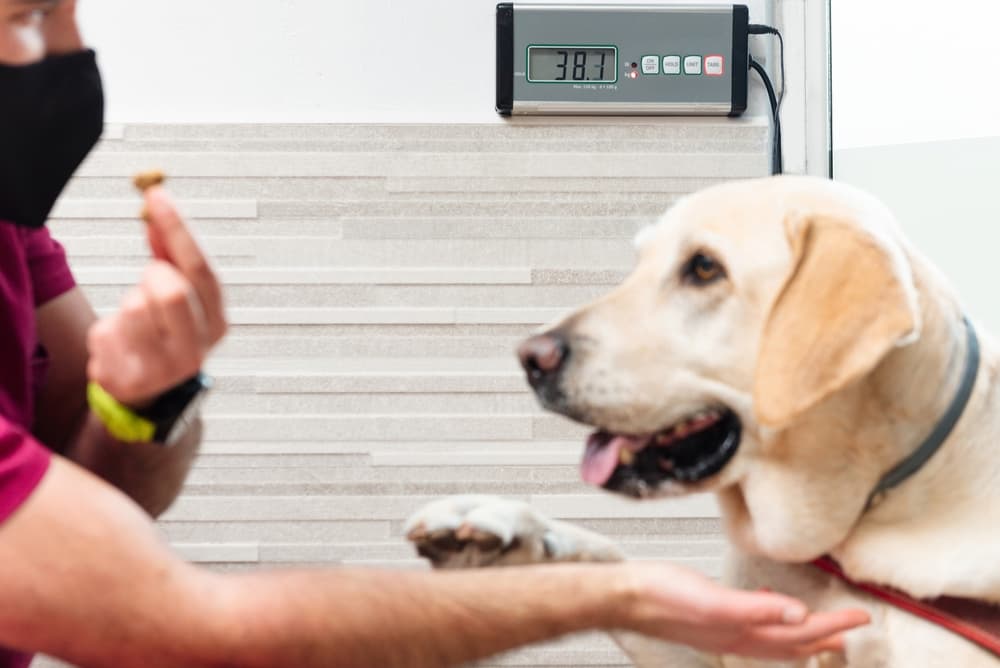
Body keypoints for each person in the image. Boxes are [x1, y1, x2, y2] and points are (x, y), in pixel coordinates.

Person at [0, 2, 870, 666]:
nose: (68, 54)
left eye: (73, 11)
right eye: (31, 17)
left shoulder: (16, 234)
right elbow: (193, 629)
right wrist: (623, 592)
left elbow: (119, 497)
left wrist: (150, 398)